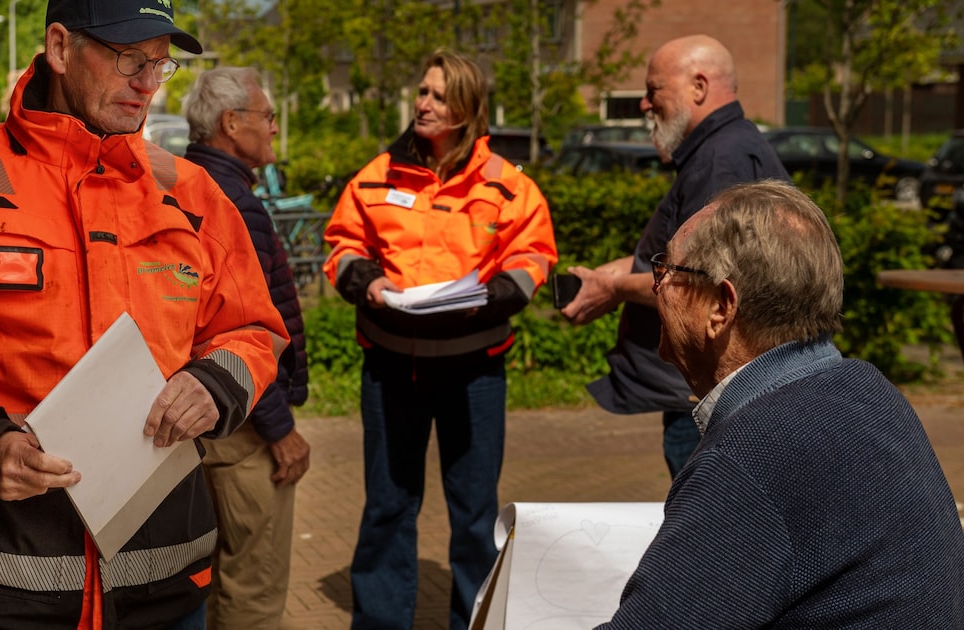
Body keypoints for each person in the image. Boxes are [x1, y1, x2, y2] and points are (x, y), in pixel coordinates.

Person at [0, 1, 288, 628]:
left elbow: (251, 328)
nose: (148, 84)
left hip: (162, 585)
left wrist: (215, 385)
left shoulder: (190, 194)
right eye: (130, 58)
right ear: (60, 48)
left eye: (161, 64)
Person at [599, 179, 964, 627]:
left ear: (720, 307)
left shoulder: (752, 454)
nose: (656, 289)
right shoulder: (869, 391)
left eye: (667, 271)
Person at [322, 49, 558, 630]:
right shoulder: (377, 174)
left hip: (473, 371)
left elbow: (533, 255)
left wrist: (500, 293)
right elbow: (342, 245)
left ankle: (474, 622)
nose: (423, 103)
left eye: (438, 94)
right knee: (386, 509)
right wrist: (365, 281)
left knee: (476, 517)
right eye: (422, 91)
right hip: (389, 369)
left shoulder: (508, 185)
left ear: (468, 109)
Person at [560, 34, 789, 479]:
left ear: (698, 87)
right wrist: (608, 277)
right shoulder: (719, 152)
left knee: (714, 539)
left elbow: (696, 281)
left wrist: (612, 289)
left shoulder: (723, 161)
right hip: (707, 394)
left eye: (652, 91)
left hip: (715, 398)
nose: (645, 104)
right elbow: (675, 256)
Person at [180, 66, 310, 630]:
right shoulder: (233, 202)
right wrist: (280, 430)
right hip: (244, 428)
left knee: (200, 583)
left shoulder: (182, 183)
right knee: (251, 590)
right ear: (231, 123)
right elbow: (243, 330)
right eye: (268, 116)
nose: (275, 128)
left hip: (202, 416)